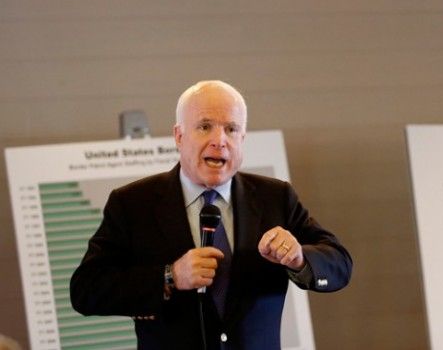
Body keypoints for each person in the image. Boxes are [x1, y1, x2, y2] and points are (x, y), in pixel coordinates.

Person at [70, 80, 352, 350]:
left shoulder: (274, 197)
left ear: (242, 138)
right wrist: (169, 277)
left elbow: (339, 263)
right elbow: (86, 290)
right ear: (179, 136)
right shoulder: (133, 203)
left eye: (231, 129)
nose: (219, 141)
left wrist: (299, 257)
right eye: (205, 126)